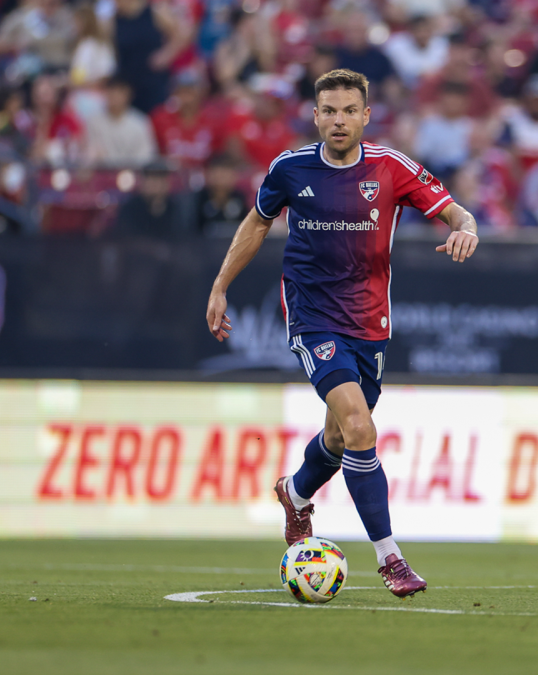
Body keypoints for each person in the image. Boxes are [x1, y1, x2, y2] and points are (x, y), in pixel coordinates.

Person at [205, 69, 479, 598]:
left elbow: (454, 212)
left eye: (348, 110)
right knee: (359, 427)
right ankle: (391, 560)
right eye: (328, 110)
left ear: (365, 116)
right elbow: (258, 222)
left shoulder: (390, 168)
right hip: (312, 317)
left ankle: (296, 492)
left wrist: (466, 230)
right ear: (315, 116)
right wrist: (220, 287)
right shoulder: (290, 168)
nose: (338, 120)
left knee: (338, 438)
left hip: (370, 323)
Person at [84, 76, 158, 168]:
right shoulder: (93, 121)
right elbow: (91, 153)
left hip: (134, 175)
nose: (114, 95)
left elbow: (146, 156)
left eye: (119, 91)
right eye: (111, 90)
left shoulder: (140, 122)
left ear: (128, 95)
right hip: (103, 174)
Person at [195, 153, 249, 235]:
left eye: (225, 173)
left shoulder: (240, 199)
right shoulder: (197, 201)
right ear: (208, 175)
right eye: (217, 173)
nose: (220, 178)